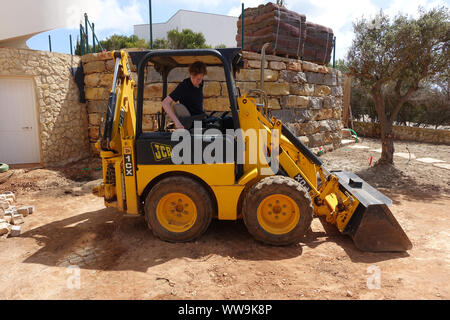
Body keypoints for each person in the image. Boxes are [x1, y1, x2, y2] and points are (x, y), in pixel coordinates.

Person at [161, 61, 207, 129]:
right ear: (190, 74)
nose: (195, 81)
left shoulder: (201, 84)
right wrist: (177, 122)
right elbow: (165, 103)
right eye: (193, 78)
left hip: (201, 120)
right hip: (192, 124)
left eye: (198, 79)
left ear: (203, 76)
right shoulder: (184, 86)